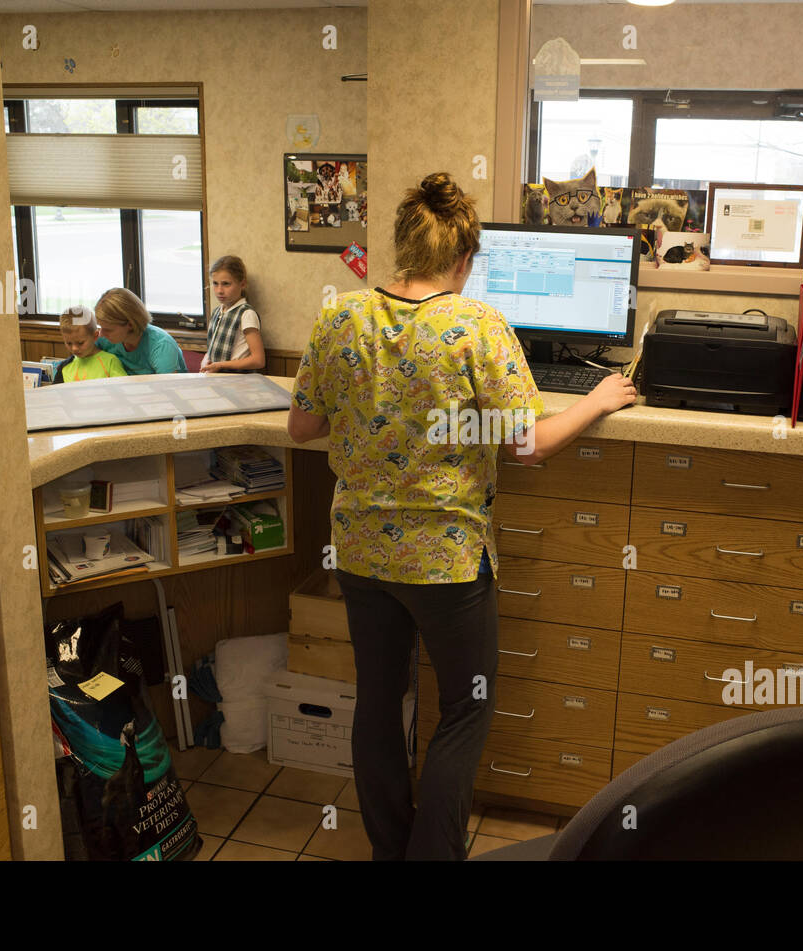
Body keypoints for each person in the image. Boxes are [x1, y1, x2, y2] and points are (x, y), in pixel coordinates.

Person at [287, 172, 636, 861]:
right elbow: (526, 442)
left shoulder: (340, 317)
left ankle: (395, 849)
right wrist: (596, 399)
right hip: (445, 560)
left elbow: (302, 425)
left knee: (380, 706)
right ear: (465, 259)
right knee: (465, 708)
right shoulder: (478, 325)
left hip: (359, 553)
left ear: (401, 247)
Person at [93, 287, 188, 375]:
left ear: (130, 324)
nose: (101, 334)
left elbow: (168, 388)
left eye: (108, 330)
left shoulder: (161, 345)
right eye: (100, 327)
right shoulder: (105, 339)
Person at [202, 255, 266, 373]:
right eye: (215, 283)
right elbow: (212, 350)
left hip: (238, 383)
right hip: (217, 381)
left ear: (242, 284)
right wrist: (206, 360)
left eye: (226, 284)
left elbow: (258, 360)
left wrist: (220, 365)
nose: (219, 290)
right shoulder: (216, 312)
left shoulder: (246, 314)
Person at [53, 306, 128, 383]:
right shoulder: (64, 367)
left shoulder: (110, 362)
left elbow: (125, 388)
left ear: (95, 336)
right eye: (69, 343)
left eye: (80, 343)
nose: (74, 348)